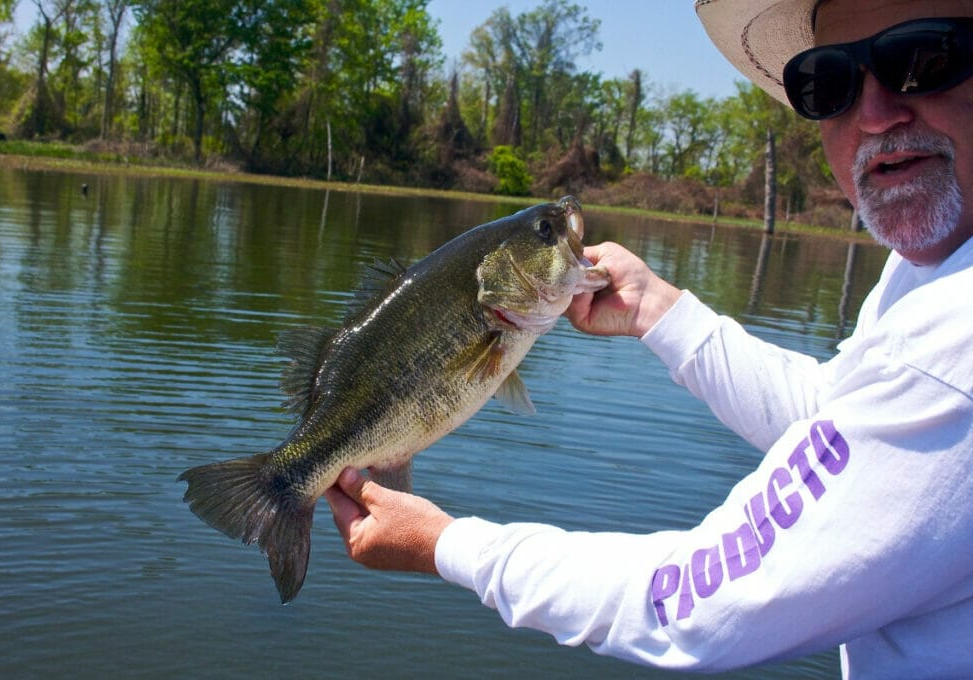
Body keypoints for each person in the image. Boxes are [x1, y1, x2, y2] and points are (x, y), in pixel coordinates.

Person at [324, 0, 973, 675]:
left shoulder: (956, 343)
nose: (873, 115)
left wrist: (442, 544)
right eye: (829, 82)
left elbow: (692, 606)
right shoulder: (932, 272)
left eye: (923, 61)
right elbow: (847, 417)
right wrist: (656, 310)